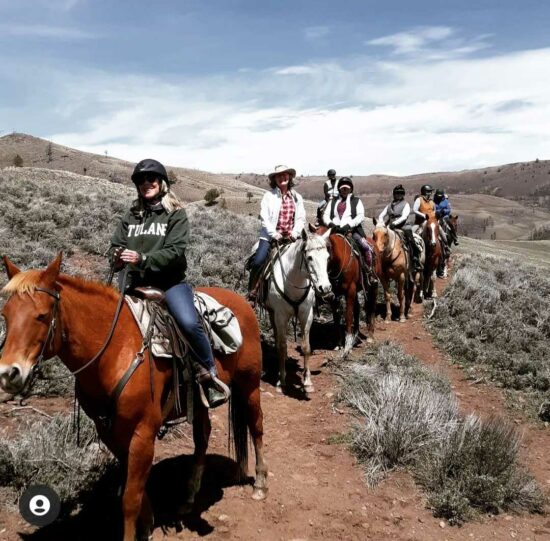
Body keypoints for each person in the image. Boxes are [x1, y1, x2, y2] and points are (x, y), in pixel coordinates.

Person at [109, 158, 229, 408]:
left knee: (187, 321)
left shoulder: (175, 214)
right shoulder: (131, 216)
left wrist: (142, 258)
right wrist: (116, 257)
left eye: (151, 179)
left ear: (161, 183)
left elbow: (175, 251)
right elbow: (115, 244)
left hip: (169, 284)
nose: (146, 184)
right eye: (141, 181)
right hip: (135, 284)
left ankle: (209, 375)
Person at [248, 164, 306, 303]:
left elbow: (300, 218)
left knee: (309, 258)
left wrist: (295, 232)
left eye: (285, 175)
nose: (282, 178)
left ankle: (312, 295)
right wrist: (274, 234)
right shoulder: (269, 196)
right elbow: (265, 218)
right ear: (274, 180)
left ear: (289, 177)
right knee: (258, 261)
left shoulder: (297, 197)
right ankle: (252, 292)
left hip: (291, 237)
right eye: (278, 176)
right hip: (270, 237)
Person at [323, 177, 374, 272]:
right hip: (334, 230)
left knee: (365, 247)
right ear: (339, 189)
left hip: (351, 230)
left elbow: (360, 216)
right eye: (343, 188)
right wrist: (331, 224)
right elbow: (326, 215)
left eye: (347, 188)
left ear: (350, 189)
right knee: (319, 246)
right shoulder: (333, 201)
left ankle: (369, 272)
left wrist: (349, 225)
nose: (345, 190)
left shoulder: (356, 201)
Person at [378, 184, 421, 270]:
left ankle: (415, 259)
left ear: (403, 194)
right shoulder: (389, 206)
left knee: (410, 240)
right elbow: (381, 215)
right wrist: (381, 223)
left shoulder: (406, 204)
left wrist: (395, 223)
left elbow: (404, 216)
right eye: (397, 193)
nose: (398, 195)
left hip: (403, 226)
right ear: (394, 194)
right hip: (391, 227)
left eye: (400, 193)